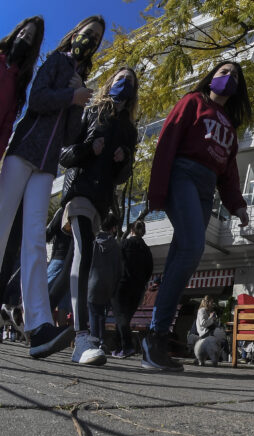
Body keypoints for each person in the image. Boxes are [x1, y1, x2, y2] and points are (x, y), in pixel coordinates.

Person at [0, 15, 103, 359]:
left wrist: (78, 101)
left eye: (96, 38)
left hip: (46, 166)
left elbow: (71, 136)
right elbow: (39, 99)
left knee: (34, 242)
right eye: (87, 33)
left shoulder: (80, 78)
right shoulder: (56, 62)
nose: (89, 39)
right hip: (23, 150)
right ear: (75, 33)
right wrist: (71, 95)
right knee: (0, 227)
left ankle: (38, 326)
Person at [144, 61, 252, 372]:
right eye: (223, 71)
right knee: (192, 247)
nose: (228, 77)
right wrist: (157, 192)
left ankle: (157, 338)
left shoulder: (229, 127)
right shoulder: (192, 101)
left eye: (234, 75)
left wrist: (238, 205)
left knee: (186, 256)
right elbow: (167, 142)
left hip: (207, 190)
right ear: (211, 77)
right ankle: (155, 337)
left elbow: (229, 174)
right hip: (183, 176)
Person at [59, 66, 138, 365]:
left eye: (129, 82)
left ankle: (25, 309)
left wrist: (124, 160)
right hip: (79, 191)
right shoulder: (92, 112)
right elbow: (65, 154)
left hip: (101, 202)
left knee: (69, 263)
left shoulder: (130, 129)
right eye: (120, 79)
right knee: (84, 254)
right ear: (109, 83)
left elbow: (121, 177)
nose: (124, 84)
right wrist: (88, 149)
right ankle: (82, 338)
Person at [0, 16, 44, 156]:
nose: (22, 38)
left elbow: (7, 124)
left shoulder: (18, 82)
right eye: (22, 33)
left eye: (28, 37)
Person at [112, 221, 153, 358]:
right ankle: (119, 347)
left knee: (120, 315)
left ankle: (127, 346)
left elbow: (116, 263)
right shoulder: (146, 249)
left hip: (122, 284)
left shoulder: (124, 244)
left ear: (131, 230)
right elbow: (149, 270)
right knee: (125, 318)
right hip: (137, 288)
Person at [86, 215, 122, 349]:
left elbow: (87, 263)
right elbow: (119, 268)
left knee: (93, 313)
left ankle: (95, 342)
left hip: (93, 283)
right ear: (113, 228)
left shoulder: (94, 243)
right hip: (108, 285)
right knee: (101, 314)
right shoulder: (116, 246)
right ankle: (101, 341)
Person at [194, 295, 226, 366]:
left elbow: (210, 322)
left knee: (222, 337)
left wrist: (214, 319)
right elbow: (203, 323)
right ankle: (218, 356)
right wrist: (211, 318)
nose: (212, 304)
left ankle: (217, 356)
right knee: (222, 338)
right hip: (204, 332)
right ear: (207, 302)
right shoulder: (202, 310)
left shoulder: (207, 311)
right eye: (212, 302)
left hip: (209, 331)